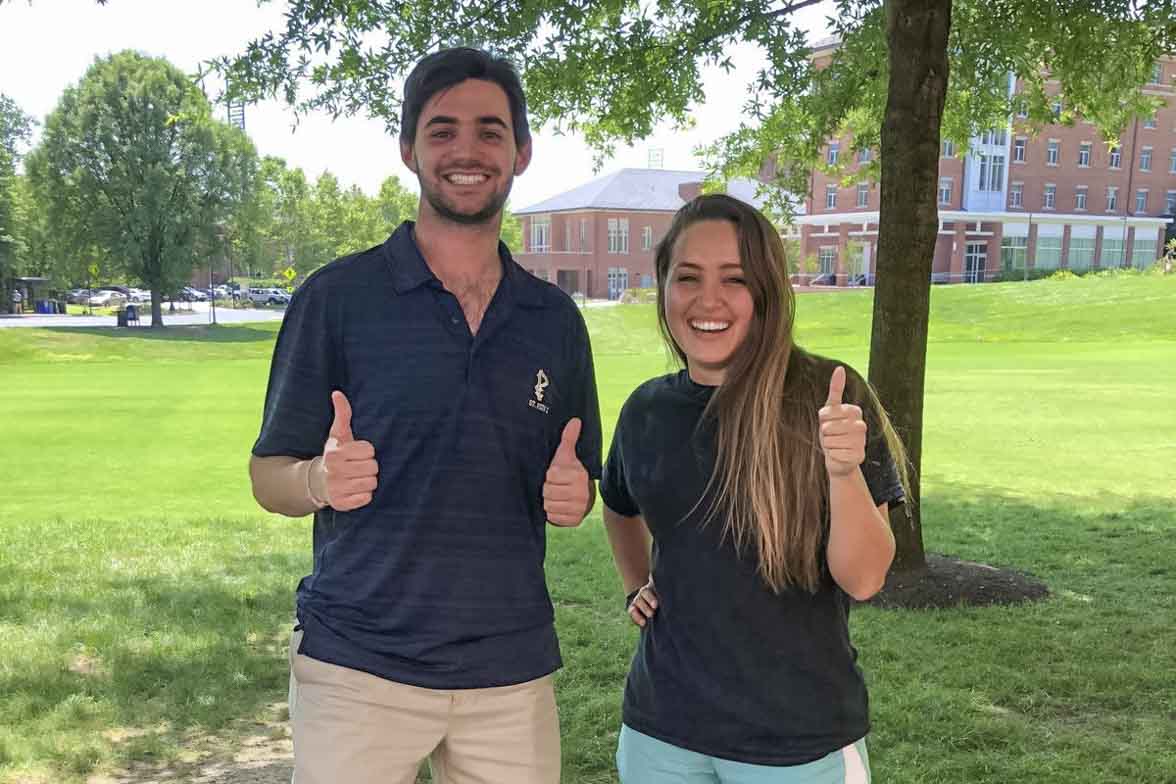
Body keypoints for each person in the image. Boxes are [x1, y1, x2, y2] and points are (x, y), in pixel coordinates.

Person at [248, 47, 602, 784]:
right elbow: (267, 476)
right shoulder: (337, 299)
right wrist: (318, 479)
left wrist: (579, 495)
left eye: (489, 131)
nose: (465, 151)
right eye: (442, 131)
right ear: (409, 149)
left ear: (522, 152)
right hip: (357, 668)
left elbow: (578, 473)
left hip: (510, 672)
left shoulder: (554, 320)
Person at [601, 194, 908, 783]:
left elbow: (865, 577)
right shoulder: (647, 409)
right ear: (663, 289)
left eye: (734, 279)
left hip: (797, 742)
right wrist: (636, 584)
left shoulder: (825, 395)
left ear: (766, 292)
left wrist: (842, 472)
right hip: (661, 731)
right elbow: (618, 506)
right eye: (686, 277)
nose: (707, 300)